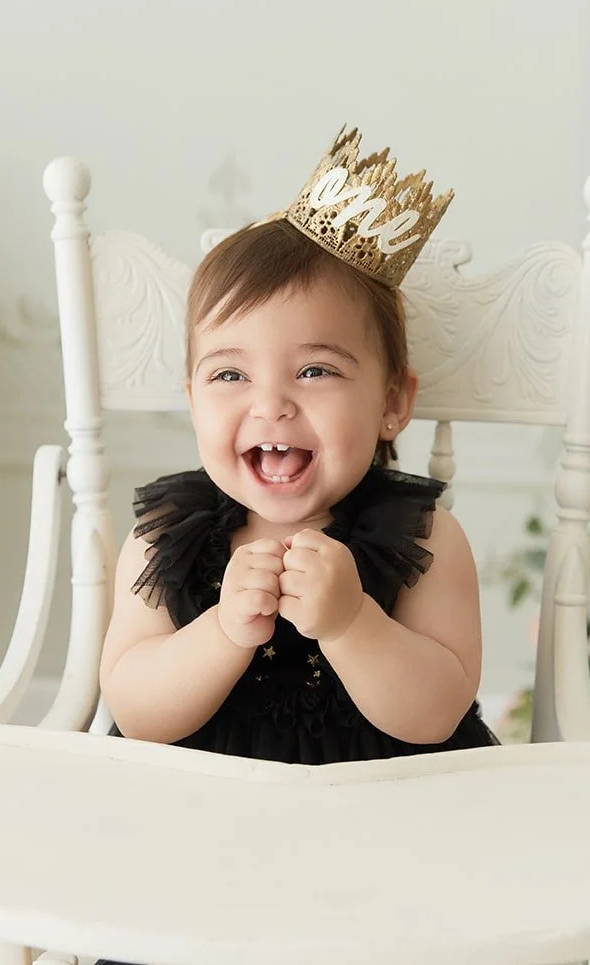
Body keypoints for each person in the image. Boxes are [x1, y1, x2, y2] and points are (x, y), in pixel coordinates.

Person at [97, 126, 499, 777]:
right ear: (194, 398)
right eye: (231, 375)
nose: (271, 404)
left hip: (383, 813)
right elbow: (135, 710)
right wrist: (223, 630)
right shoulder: (165, 537)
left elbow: (438, 714)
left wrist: (351, 624)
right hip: (201, 814)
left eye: (314, 371)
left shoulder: (427, 540)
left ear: (394, 400)